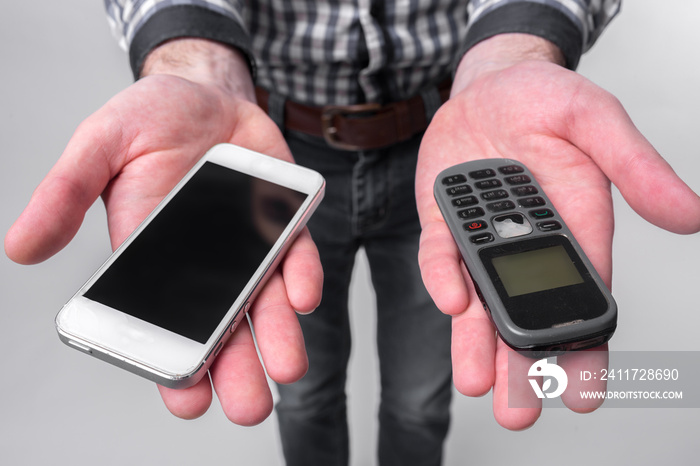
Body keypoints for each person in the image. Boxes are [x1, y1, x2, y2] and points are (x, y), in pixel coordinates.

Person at [5, 0, 700, 464]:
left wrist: (515, 49)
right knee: (301, 392)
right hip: (269, 148)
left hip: (452, 138)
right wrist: (193, 57)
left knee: (421, 399)